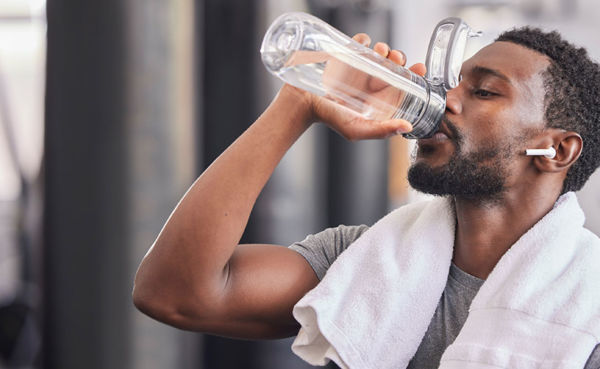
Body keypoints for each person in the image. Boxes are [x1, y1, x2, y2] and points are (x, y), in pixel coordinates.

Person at [132, 25, 600, 368]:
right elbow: (174, 294)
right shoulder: (366, 259)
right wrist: (296, 106)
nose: (446, 100)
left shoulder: (588, 306)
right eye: (452, 84)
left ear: (555, 150)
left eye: (482, 91)